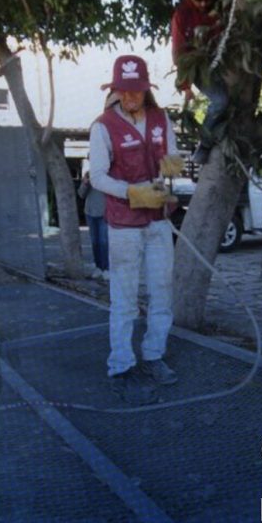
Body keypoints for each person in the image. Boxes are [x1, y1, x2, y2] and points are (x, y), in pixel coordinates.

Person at [88, 55, 187, 405]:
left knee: (162, 290)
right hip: (125, 225)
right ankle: (121, 365)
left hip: (159, 220)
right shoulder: (102, 127)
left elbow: (170, 156)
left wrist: (170, 173)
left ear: (146, 91)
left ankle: (153, 355)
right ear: (115, 90)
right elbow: (98, 176)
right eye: (125, 91)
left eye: (137, 91)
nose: (131, 98)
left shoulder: (162, 118)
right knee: (125, 298)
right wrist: (132, 192)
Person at [171, 0, 228, 165]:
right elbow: (179, 53)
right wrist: (186, 87)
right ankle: (203, 144)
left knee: (232, 102)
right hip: (198, 66)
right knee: (220, 101)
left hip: (225, 60)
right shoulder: (182, 14)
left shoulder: (225, 3)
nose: (204, 4)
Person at [78, 171, 109, 280]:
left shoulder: (108, 173)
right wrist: (85, 183)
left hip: (104, 212)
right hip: (90, 212)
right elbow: (81, 194)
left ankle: (107, 268)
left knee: (104, 241)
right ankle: (98, 267)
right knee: (95, 241)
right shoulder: (89, 174)